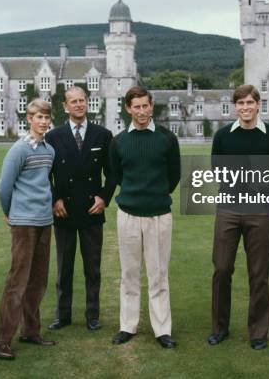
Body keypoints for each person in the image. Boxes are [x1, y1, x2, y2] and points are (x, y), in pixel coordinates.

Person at [208, 84, 269, 350]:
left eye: (250, 103)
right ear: (235, 106)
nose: (245, 108)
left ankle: (258, 332)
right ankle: (219, 328)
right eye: (240, 103)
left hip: (258, 212)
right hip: (228, 210)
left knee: (259, 273)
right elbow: (217, 171)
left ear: (257, 105)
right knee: (221, 269)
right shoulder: (223, 136)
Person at [109, 86, 181, 349]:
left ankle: (162, 329)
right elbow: (116, 175)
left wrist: (156, 195)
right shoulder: (118, 142)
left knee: (158, 274)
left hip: (159, 215)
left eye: (145, 106)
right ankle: (127, 325)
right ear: (128, 109)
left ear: (152, 106)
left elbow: (174, 176)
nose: (141, 111)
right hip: (128, 213)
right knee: (129, 273)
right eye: (136, 107)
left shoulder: (167, 139)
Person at [45, 86, 116, 332]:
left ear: (88, 103)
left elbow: (113, 173)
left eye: (82, 100)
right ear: (65, 107)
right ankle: (62, 315)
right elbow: (46, 174)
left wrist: (104, 198)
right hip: (63, 211)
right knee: (64, 267)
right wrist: (55, 200)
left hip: (92, 210)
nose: (78, 105)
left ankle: (92, 316)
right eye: (73, 101)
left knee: (92, 268)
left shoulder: (103, 135)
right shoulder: (54, 137)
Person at [0, 99, 56, 361]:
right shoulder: (18, 150)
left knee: (38, 281)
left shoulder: (49, 150)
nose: (43, 121)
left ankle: (30, 331)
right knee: (17, 281)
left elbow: (44, 184)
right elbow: (3, 187)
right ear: (29, 119)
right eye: (38, 117)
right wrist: (10, 213)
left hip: (44, 221)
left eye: (46, 117)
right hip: (23, 223)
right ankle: (1, 341)